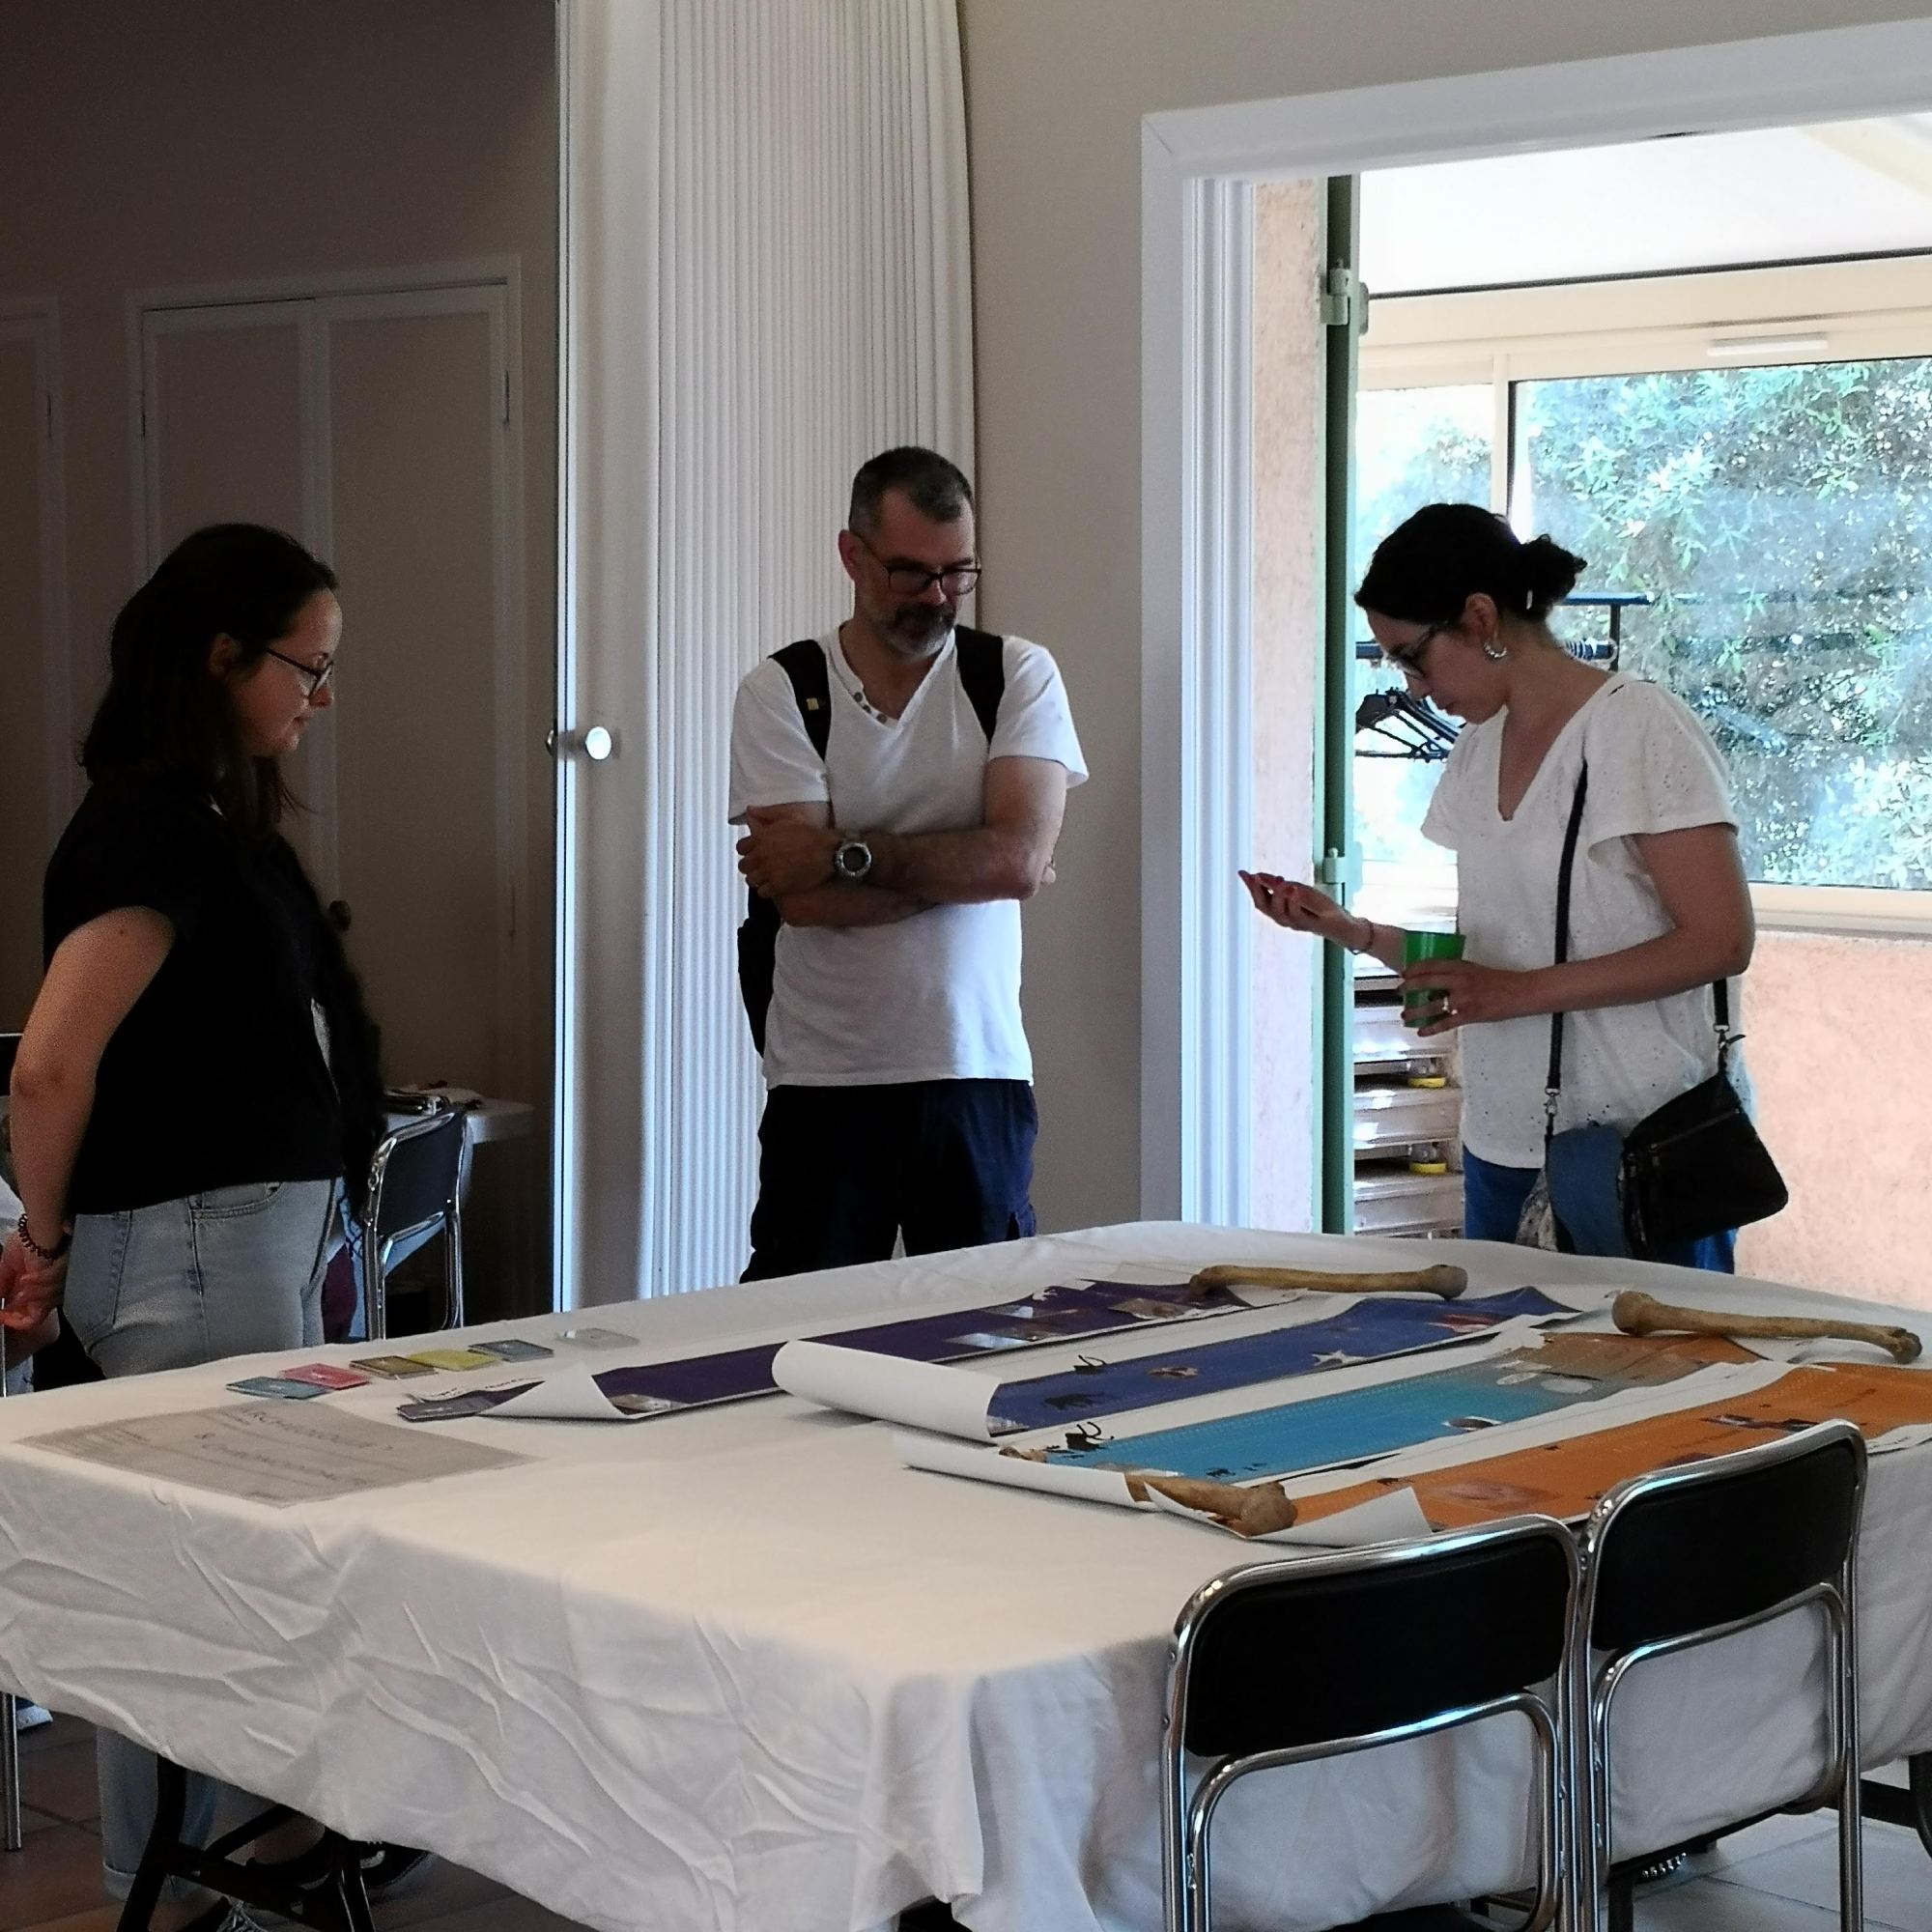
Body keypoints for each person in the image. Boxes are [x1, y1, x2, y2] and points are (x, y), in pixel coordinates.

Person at [0, 523, 385, 1932]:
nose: (320, 696)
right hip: (193, 1248)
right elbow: (50, 1065)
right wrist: (43, 1243)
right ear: (223, 657)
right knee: (193, 1582)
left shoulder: (207, 821)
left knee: (218, 1574)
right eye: (306, 665)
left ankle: (223, 1869)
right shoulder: (149, 825)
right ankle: (171, 1890)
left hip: (231, 1239)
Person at [1242, 503, 1753, 1270]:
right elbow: (1487, 953)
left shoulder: (1638, 728)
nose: (1414, 689)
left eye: (1413, 658)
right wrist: (1351, 930)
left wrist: (1516, 993)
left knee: (1650, 1350)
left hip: (1644, 1151)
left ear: (1480, 617)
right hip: (1501, 1144)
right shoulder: (1476, 752)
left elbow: (1720, 941)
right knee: (1505, 1350)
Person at [730, 446, 1086, 1277]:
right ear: (852, 556)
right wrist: (975, 865)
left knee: (982, 1324)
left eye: (957, 573)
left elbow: (1015, 864)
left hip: (976, 1065)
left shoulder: (1014, 675)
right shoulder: (782, 690)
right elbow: (802, 899)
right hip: (824, 1077)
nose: (936, 596)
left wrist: (842, 852)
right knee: (803, 1324)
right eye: (910, 572)